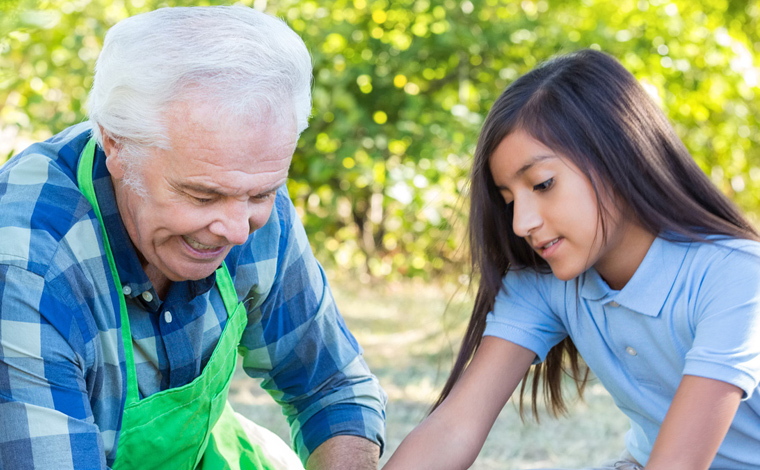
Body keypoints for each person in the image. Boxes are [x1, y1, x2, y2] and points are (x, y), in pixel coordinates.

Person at [0, 6, 386, 470]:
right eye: (202, 195)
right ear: (116, 145)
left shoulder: (240, 183)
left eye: (262, 193)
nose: (238, 229)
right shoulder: (28, 266)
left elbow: (331, 387)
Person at [382, 49, 760, 470]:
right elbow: (454, 428)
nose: (521, 223)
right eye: (508, 201)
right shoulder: (545, 282)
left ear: (619, 155)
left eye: (542, 184)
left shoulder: (737, 276)